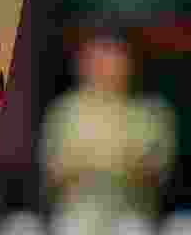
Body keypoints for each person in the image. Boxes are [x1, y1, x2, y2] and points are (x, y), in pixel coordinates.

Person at [39, 27, 176, 235]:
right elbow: (53, 172)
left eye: (115, 56)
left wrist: (95, 162)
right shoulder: (65, 111)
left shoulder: (151, 112)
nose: (105, 65)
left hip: (131, 219)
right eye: (97, 56)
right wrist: (112, 161)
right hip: (75, 219)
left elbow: (156, 171)